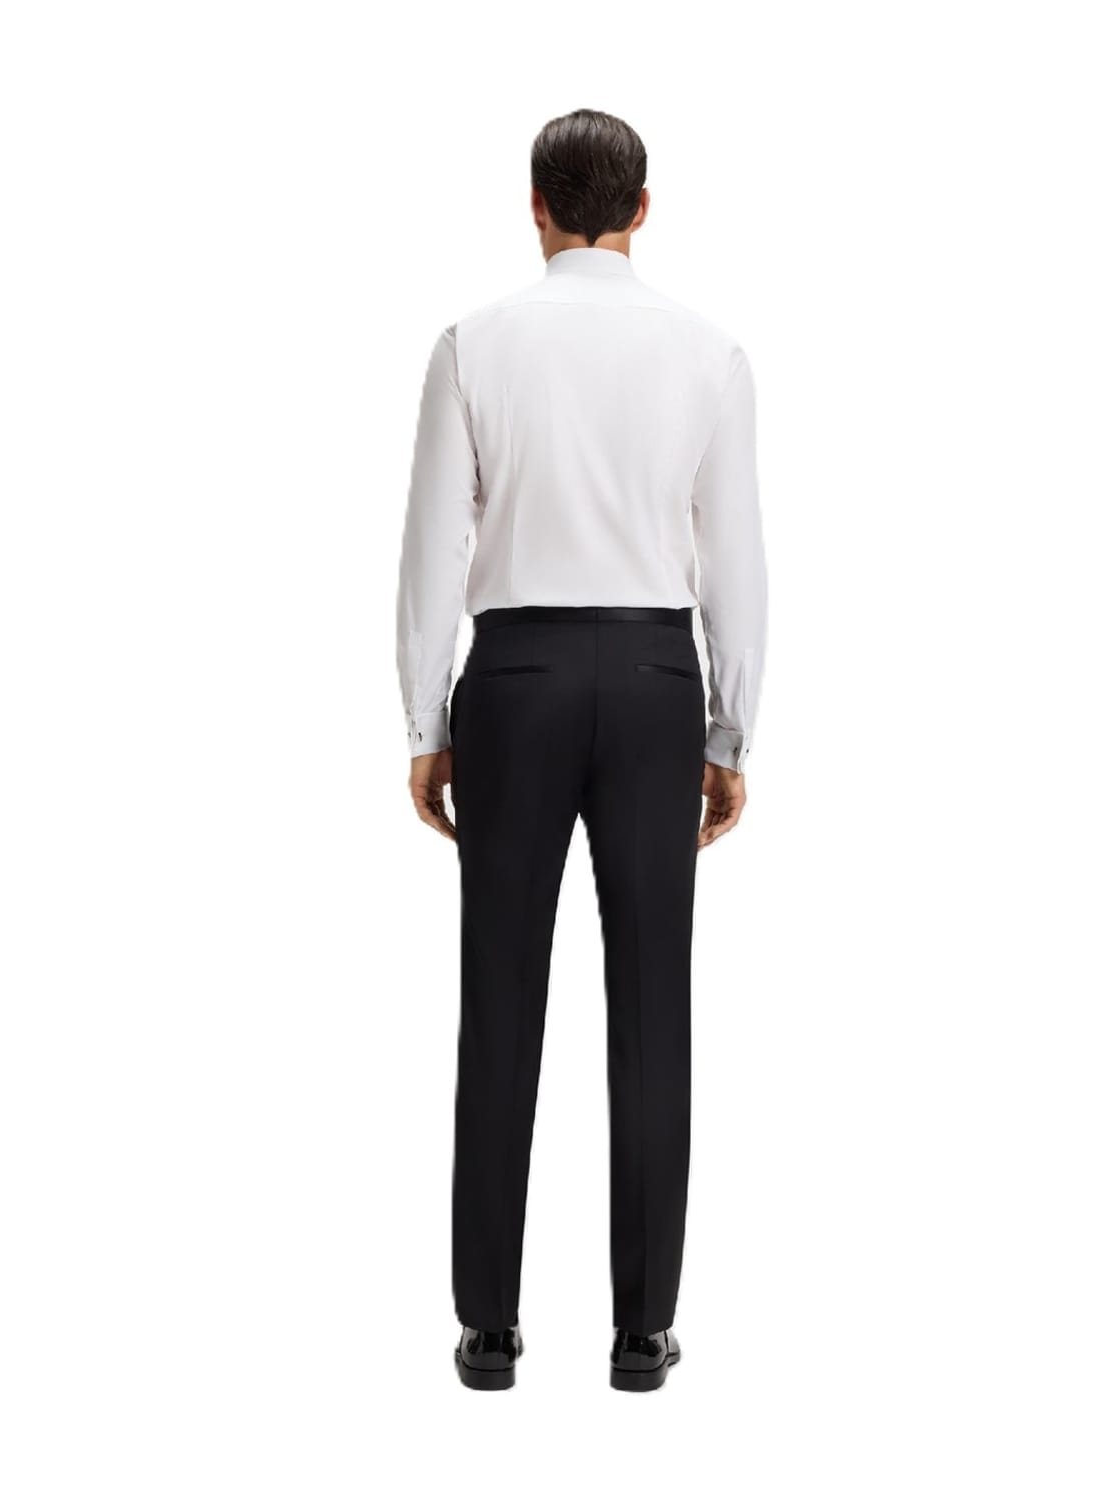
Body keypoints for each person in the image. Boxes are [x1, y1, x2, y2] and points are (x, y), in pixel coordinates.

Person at [395, 108, 767, 1392]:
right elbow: (736, 558)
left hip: (515, 676)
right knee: (654, 1004)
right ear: (644, 209)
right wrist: (730, 729)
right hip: (659, 680)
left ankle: (489, 1330)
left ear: (536, 206)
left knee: (499, 1000)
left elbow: (432, 547)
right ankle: (643, 1333)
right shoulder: (710, 353)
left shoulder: (473, 344)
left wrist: (425, 722)